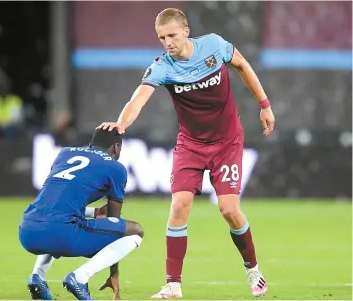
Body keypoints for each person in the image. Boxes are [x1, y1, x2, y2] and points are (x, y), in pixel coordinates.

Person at [97, 8, 275, 298]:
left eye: (172, 35)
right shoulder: (162, 67)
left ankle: (254, 271)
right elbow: (138, 98)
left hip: (227, 141)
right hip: (190, 145)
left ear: (186, 31)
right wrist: (121, 124)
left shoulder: (214, 45)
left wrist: (264, 104)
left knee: (229, 210)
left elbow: (242, 65)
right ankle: (173, 284)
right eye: (161, 37)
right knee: (179, 205)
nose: (167, 42)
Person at [19, 128, 144, 300]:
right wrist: (114, 273)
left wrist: (93, 213)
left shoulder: (64, 153)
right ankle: (80, 277)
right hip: (59, 234)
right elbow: (115, 224)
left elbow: (56, 201)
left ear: (92, 144)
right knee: (136, 231)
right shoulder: (116, 168)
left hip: (26, 230)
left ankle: (37, 276)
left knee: (57, 218)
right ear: (116, 147)